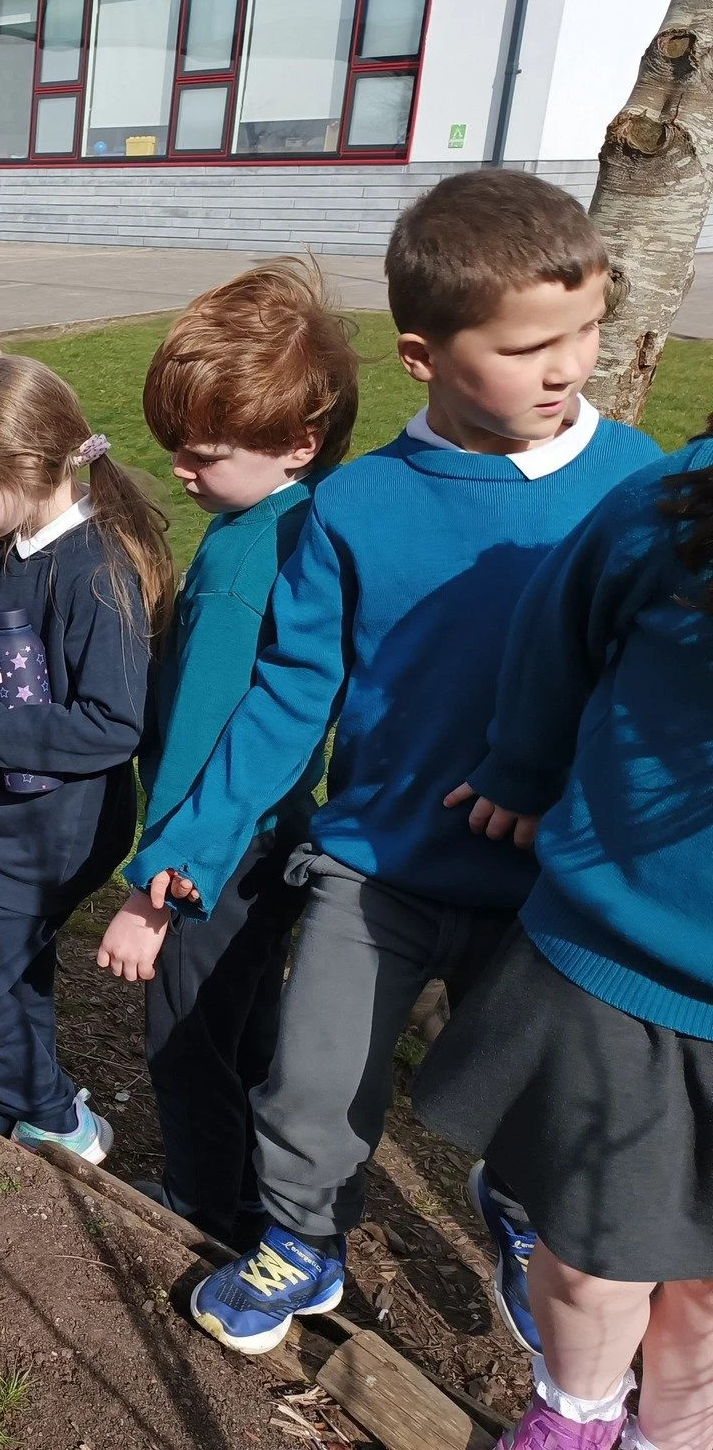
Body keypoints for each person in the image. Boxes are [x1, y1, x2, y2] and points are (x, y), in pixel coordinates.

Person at [125, 169, 663, 1358]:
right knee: (312, 1086)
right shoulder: (353, 509)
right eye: (527, 347)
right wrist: (194, 842)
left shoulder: (636, 484)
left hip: (553, 893)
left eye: (584, 330)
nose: (567, 366)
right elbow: (285, 698)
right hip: (376, 870)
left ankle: (521, 1226)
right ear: (422, 355)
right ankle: (303, 1239)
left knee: (538, 1115)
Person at [413, 435, 713, 1450]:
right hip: (613, 969)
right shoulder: (672, 506)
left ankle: (670, 1437)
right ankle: (575, 1412)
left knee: (707, 1291)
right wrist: (524, 766)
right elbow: (557, 628)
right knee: (591, 1261)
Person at [91, 260, 358, 1246]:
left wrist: (150, 891)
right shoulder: (290, 520)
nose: (179, 472)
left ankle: (204, 1208)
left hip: (214, 849)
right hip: (275, 828)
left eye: (200, 455)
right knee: (243, 1027)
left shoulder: (249, 559)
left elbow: (213, 735)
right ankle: (250, 1199)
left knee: (188, 1040)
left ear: (295, 443)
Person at [0, 355, 169, 1155]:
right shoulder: (20, 547)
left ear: (25, 468)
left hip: (54, 834)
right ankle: (36, 1104)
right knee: (14, 975)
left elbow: (110, 723)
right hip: (14, 823)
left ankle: (62, 1120)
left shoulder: (95, 572)